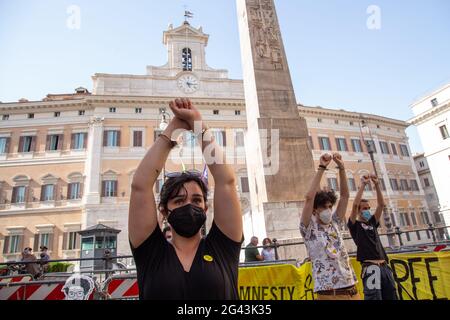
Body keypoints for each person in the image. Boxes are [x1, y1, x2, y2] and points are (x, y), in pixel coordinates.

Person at [128, 98, 243, 300]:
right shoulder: (150, 251)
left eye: (197, 200)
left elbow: (226, 181)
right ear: (164, 210)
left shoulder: (222, 247)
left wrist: (199, 125)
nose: (189, 205)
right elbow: (140, 186)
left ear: (206, 208)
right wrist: (172, 130)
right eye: (179, 201)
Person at [300, 153, 360, 300]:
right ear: (315, 210)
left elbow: (345, 196)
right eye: (324, 207)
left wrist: (341, 168)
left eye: (330, 206)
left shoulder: (335, 223)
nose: (328, 210)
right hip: (330, 295)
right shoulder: (308, 229)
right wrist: (321, 167)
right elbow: (309, 198)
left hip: (353, 290)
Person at [348, 174, 399, 300]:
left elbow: (381, 205)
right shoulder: (355, 225)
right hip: (371, 268)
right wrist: (363, 185)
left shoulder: (372, 222)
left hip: (384, 267)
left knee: (392, 296)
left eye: (368, 208)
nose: (367, 210)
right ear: (359, 210)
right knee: (374, 298)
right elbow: (354, 205)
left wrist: (376, 185)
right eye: (364, 208)